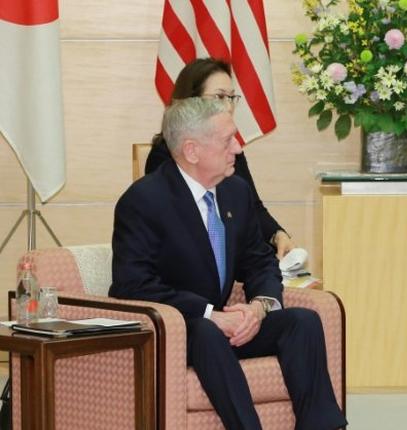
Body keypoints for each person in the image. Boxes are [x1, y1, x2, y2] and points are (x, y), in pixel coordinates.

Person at [110, 97, 346, 430]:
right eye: (227, 141)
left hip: (227, 328)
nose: (237, 148)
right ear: (192, 151)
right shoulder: (144, 200)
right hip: (176, 328)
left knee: (301, 322)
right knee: (206, 331)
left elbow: (259, 261)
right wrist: (211, 315)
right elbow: (131, 284)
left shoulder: (235, 192)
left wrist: (258, 308)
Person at [145, 57, 295, 259]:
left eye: (232, 97)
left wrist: (277, 234)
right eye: (219, 96)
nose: (229, 106)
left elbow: (252, 206)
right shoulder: (166, 155)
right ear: (192, 101)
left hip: (237, 260)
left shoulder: (230, 150)